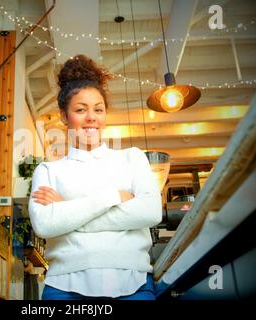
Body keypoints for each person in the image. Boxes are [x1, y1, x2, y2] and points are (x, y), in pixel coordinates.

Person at [28, 54, 162, 300]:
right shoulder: (48, 171)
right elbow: (45, 225)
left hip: (132, 279)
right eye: (80, 110)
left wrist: (67, 211)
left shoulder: (132, 158)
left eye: (98, 109)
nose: (91, 117)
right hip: (64, 286)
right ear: (64, 116)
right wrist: (112, 197)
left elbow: (151, 212)